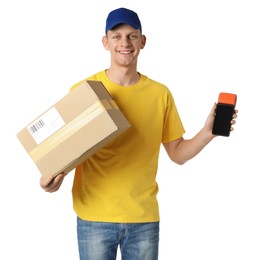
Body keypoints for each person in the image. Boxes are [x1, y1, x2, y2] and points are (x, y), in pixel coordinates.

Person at [40, 7, 238, 260]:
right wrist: (52, 179)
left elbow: (177, 154)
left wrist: (207, 133)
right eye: (116, 36)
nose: (125, 43)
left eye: (132, 36)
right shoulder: (85, 90)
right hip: (94, 217)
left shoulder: (159, 94)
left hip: (143, 218)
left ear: (142, 41)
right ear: (105, 42)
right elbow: (67, 149)